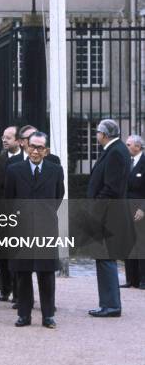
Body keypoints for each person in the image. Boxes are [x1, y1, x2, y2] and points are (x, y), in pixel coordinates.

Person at [5, 131, 64, 329]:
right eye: (32, 146)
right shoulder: (14, 170)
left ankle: (48, 316)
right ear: (25, 146)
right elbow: (9, 200)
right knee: (22, 274)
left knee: (46, 274)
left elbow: (58, 196)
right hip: (21, 229)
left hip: (46, 229)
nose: (35, 151)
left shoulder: (56, 170)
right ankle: (24, 315)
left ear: (46, 150)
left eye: (40, 147)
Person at [87, 119, 134, 318]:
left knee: (105, 258)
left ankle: (111, 305)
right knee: (104, 259)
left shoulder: (115, 151)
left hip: (108, 215)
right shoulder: (116, 150)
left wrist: (95, 209)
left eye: (98, 132)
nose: (96, 135)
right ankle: (108, 303)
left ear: (104, 134)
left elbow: (110, 188)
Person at [0, 126, 21, 302]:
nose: (4, 140)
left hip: (17, 215)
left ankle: (18, 291)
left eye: (9, 137)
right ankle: (5, 287)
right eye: (3, 137)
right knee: (0, 254)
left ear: (18, 140)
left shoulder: (25, 160)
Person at [122, 135, 145, 289]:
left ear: (138, 146)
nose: (126, 146)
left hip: (140, 210)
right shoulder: (125, 162)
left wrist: (143, 208)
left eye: (129, 144)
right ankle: (131, 279)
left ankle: (143, 280)